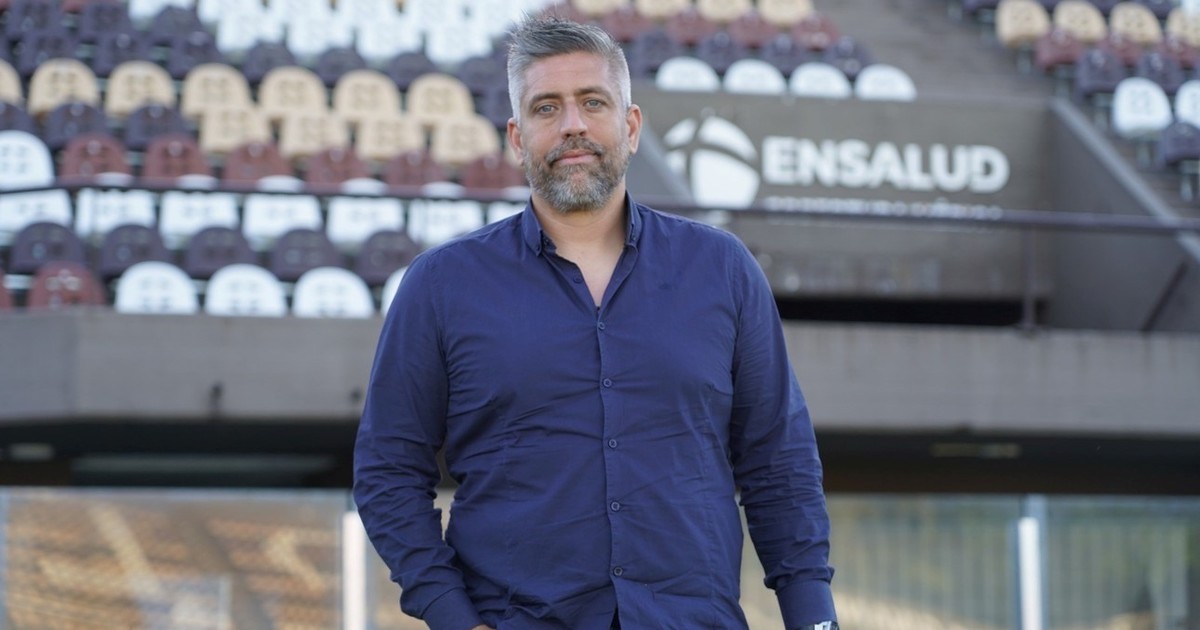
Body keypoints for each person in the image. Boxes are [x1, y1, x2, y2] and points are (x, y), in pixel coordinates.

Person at [353, 16, 837, 630]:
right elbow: (388, 472)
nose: (572, 124)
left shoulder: (722, 269)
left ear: (630, 127)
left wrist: (814, 620)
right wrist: (453, 617)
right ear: (517, 138)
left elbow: (780, 465)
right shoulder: (441, 285)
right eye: (546, 107)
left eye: (593, 102)